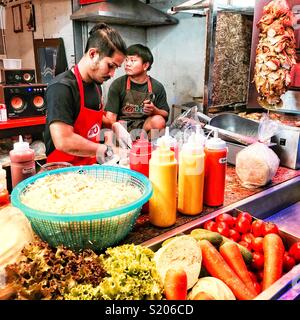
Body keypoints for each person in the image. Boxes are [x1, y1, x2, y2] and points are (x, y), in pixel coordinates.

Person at [44, 23, 127, 165]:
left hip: (88, 166)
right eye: (110, 65)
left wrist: (113, 125)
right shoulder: (61, 88)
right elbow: (64, 141)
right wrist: (107, 150)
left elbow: (92, 118)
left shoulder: (96, 85)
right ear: (93, 54)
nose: (112, 74)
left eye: (116, 68)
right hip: (63, 171)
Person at [103, 44, 169, 145]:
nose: (127, 64)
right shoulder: (118, 84)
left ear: (145, 65)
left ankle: (147, 148)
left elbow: (165, 114)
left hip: (143, 129)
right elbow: (110, 117)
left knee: (159, 121)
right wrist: (109, 146)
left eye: (133, 60)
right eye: (126, 60)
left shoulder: (157, 87)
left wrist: (154, 110)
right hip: (122, 128)